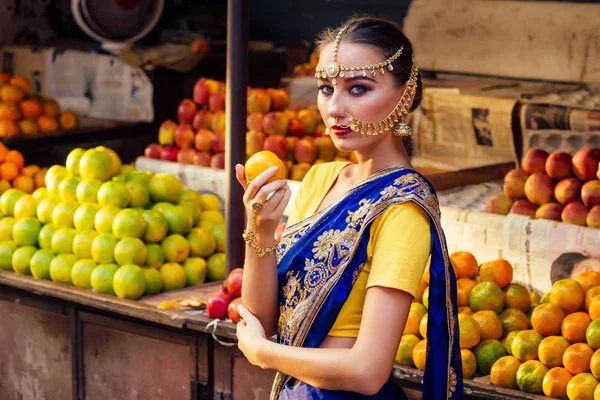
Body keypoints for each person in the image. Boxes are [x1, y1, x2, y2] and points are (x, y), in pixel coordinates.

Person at [234, 16, 463, 400]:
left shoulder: (402, 209)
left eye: (358, 88)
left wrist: (263, 353)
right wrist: (259, 229)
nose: (335, 108)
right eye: (326, 88)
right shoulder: (319, 179)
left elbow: (367, 371)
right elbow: (265, 319)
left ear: (405, 95)